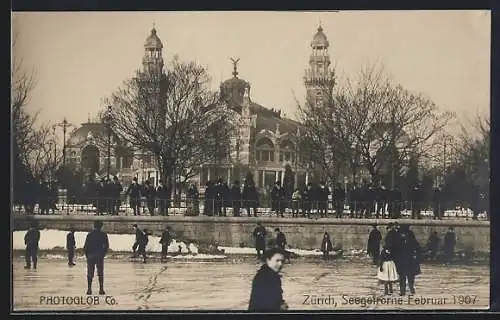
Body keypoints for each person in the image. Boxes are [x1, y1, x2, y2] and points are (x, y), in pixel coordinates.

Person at [248, 247, 288, 312]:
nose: (280, 264)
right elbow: (265, 303)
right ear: (268, 260)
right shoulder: (265, 277)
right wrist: (280, 306)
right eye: (277, 260)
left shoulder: (269, 274)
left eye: (282, 261)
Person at [83, 220, 109, 295]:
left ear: (94, 226)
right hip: (99, 256)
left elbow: (85, 246)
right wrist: (103, 254)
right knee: (100, 273)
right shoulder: (103, 235)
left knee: (90, 273)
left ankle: (89, 289)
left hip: (91, 256)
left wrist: (87, 255)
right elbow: (106, 246)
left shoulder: (89, 235)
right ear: (101, 226)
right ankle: (101, 289)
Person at [395, 224, 421, 296]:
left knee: (407, 276)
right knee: (405, 276)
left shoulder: (408, 237)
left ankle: (408, 289)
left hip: (407, 260)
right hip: (405, 260)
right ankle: (405, 290)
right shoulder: (400, 238)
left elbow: (417, 248)